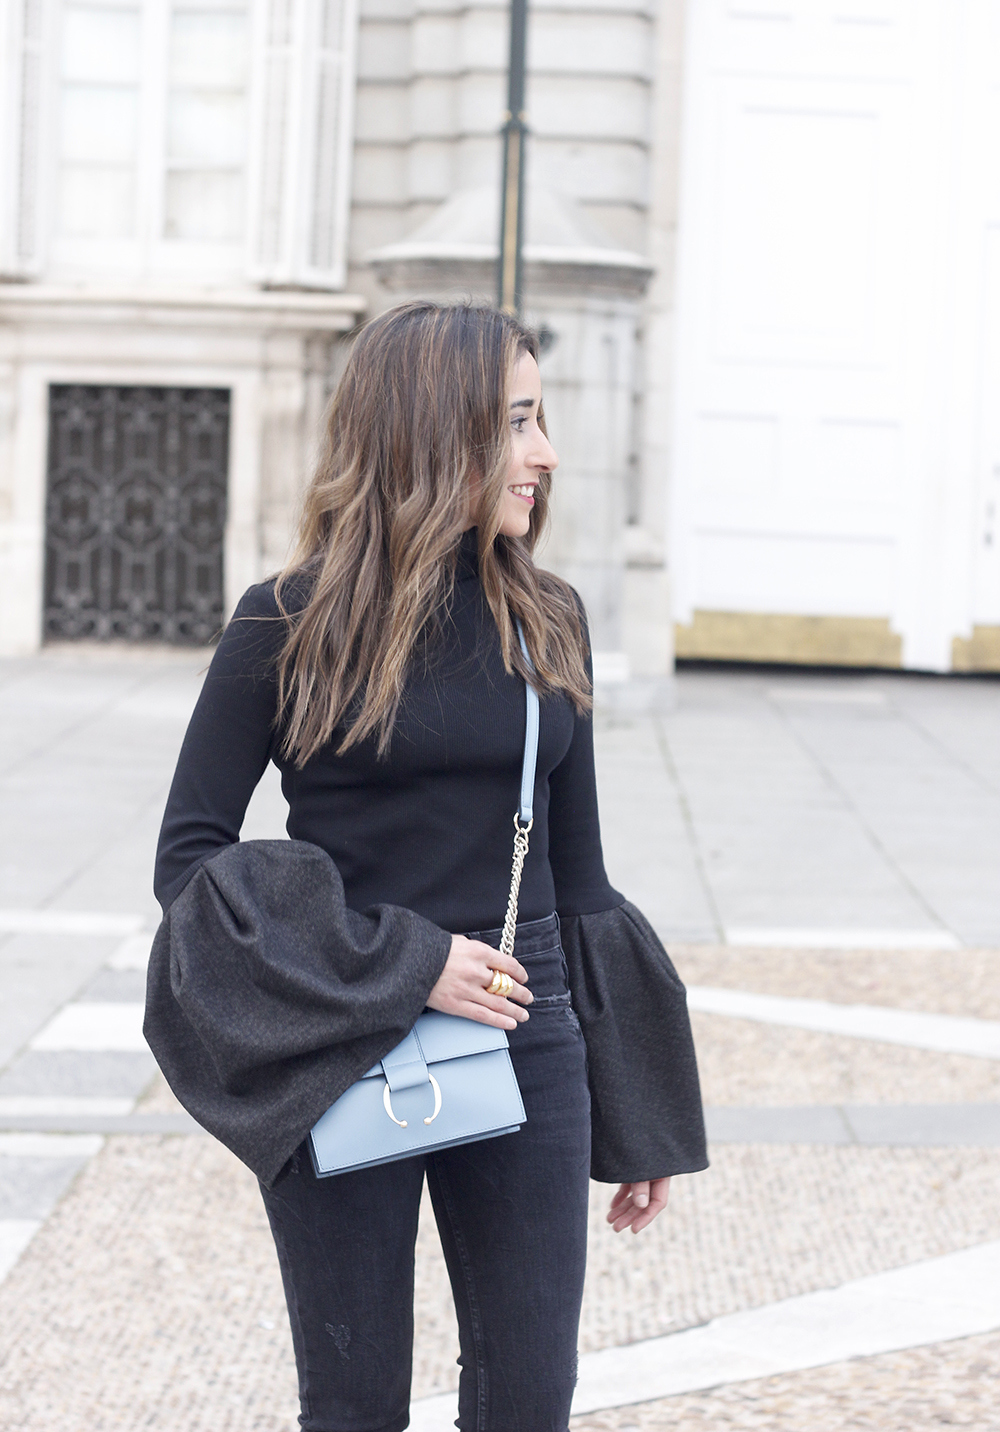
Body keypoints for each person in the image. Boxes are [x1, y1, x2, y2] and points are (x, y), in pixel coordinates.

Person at [150, 301, 705, 1432]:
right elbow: (189, 859)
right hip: (340, 1030)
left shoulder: (547, 617)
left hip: (526, 1015)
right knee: (354, 1404)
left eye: (540, 419)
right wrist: (400, 964)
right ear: (428, 428)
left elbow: (582, 876)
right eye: (516, 421)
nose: (543, 452)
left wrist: (641, 1100)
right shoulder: (286, 623)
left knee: (526, 1403)